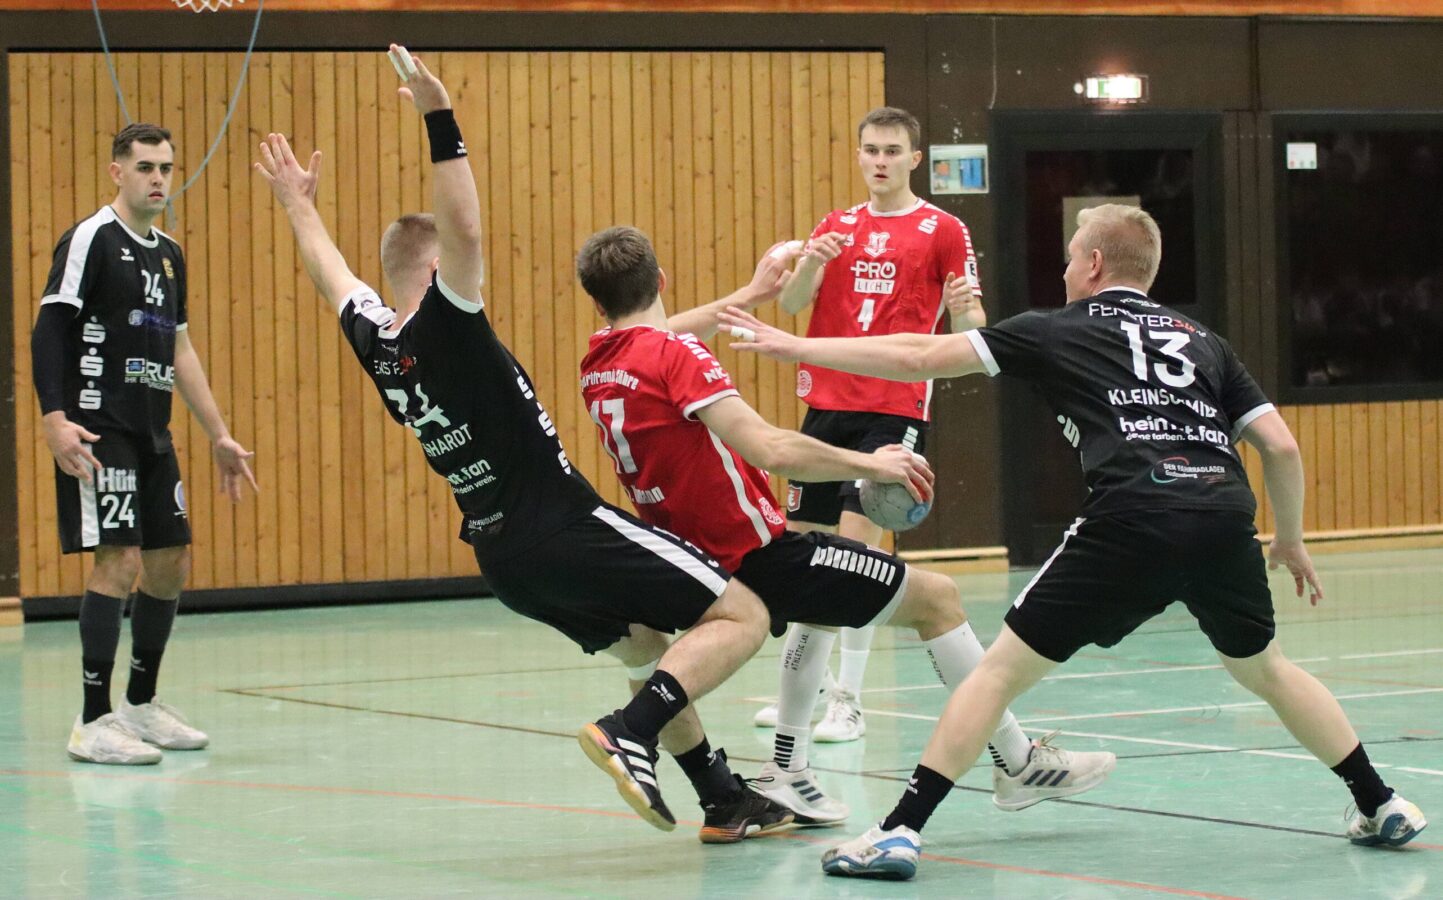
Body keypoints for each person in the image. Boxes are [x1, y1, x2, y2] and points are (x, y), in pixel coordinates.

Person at [721, 204, 1429, 879]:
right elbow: (1279, 445)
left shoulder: (1057, 328)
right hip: (1221, 516)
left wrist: (795, 345)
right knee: (1266, 669)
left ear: (1092, 264)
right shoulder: (1202, 340)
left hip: (1132, 516)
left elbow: (917, 355)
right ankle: (1381, 801)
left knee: (994, 674)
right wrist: (1291, 540)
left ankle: (898, 829)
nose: (1063, 271)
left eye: (1068, 258)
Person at [255, 45, 792, 844]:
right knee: (741, 613)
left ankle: (722, 798)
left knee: (649, 649)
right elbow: (464, 226)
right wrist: (439, 115)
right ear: (434, 272)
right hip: (561, 524)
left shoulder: (376, 340)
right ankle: (628, 732)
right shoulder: (447, 323)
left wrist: (298, 205)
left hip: (501, 555)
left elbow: (331, 274)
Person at [576, 225, 1115, 826]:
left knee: (824, 608)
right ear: (661, 280)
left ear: (598, 303)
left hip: (696, 555)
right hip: (758, 554)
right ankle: (1015, 761)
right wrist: (871, 463)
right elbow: (773, 448)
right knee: (938, 598)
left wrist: (751, 296)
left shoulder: (600, 361)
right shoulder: (677, 355)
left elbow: (653, 335)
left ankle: (787, 771)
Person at [32, 122, 258, 766]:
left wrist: (219, 433)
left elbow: (180, 349)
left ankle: (139, 703)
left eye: (165, 168)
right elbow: (49, 329)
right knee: (120, 558)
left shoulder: (170, 255)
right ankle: (92, 719)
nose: (158, 179)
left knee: (170, 560)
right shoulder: (91, 239)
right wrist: (54, 418)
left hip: (154, 431)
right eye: (145, 168)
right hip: (99, 427)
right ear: (117, 172)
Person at [757, 105, 985, 744]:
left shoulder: (944, 230)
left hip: (893, 407)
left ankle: (848, 702)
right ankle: (799, 696)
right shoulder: (835, 226)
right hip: (826, 403)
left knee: (853, 555)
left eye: (892, 150)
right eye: (871, 150)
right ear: (858, 155)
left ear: (914, 158)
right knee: (806, 553)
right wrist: (811, 264)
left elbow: (973, 332)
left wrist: (965, 310)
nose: (880, 161)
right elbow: (793, 305)